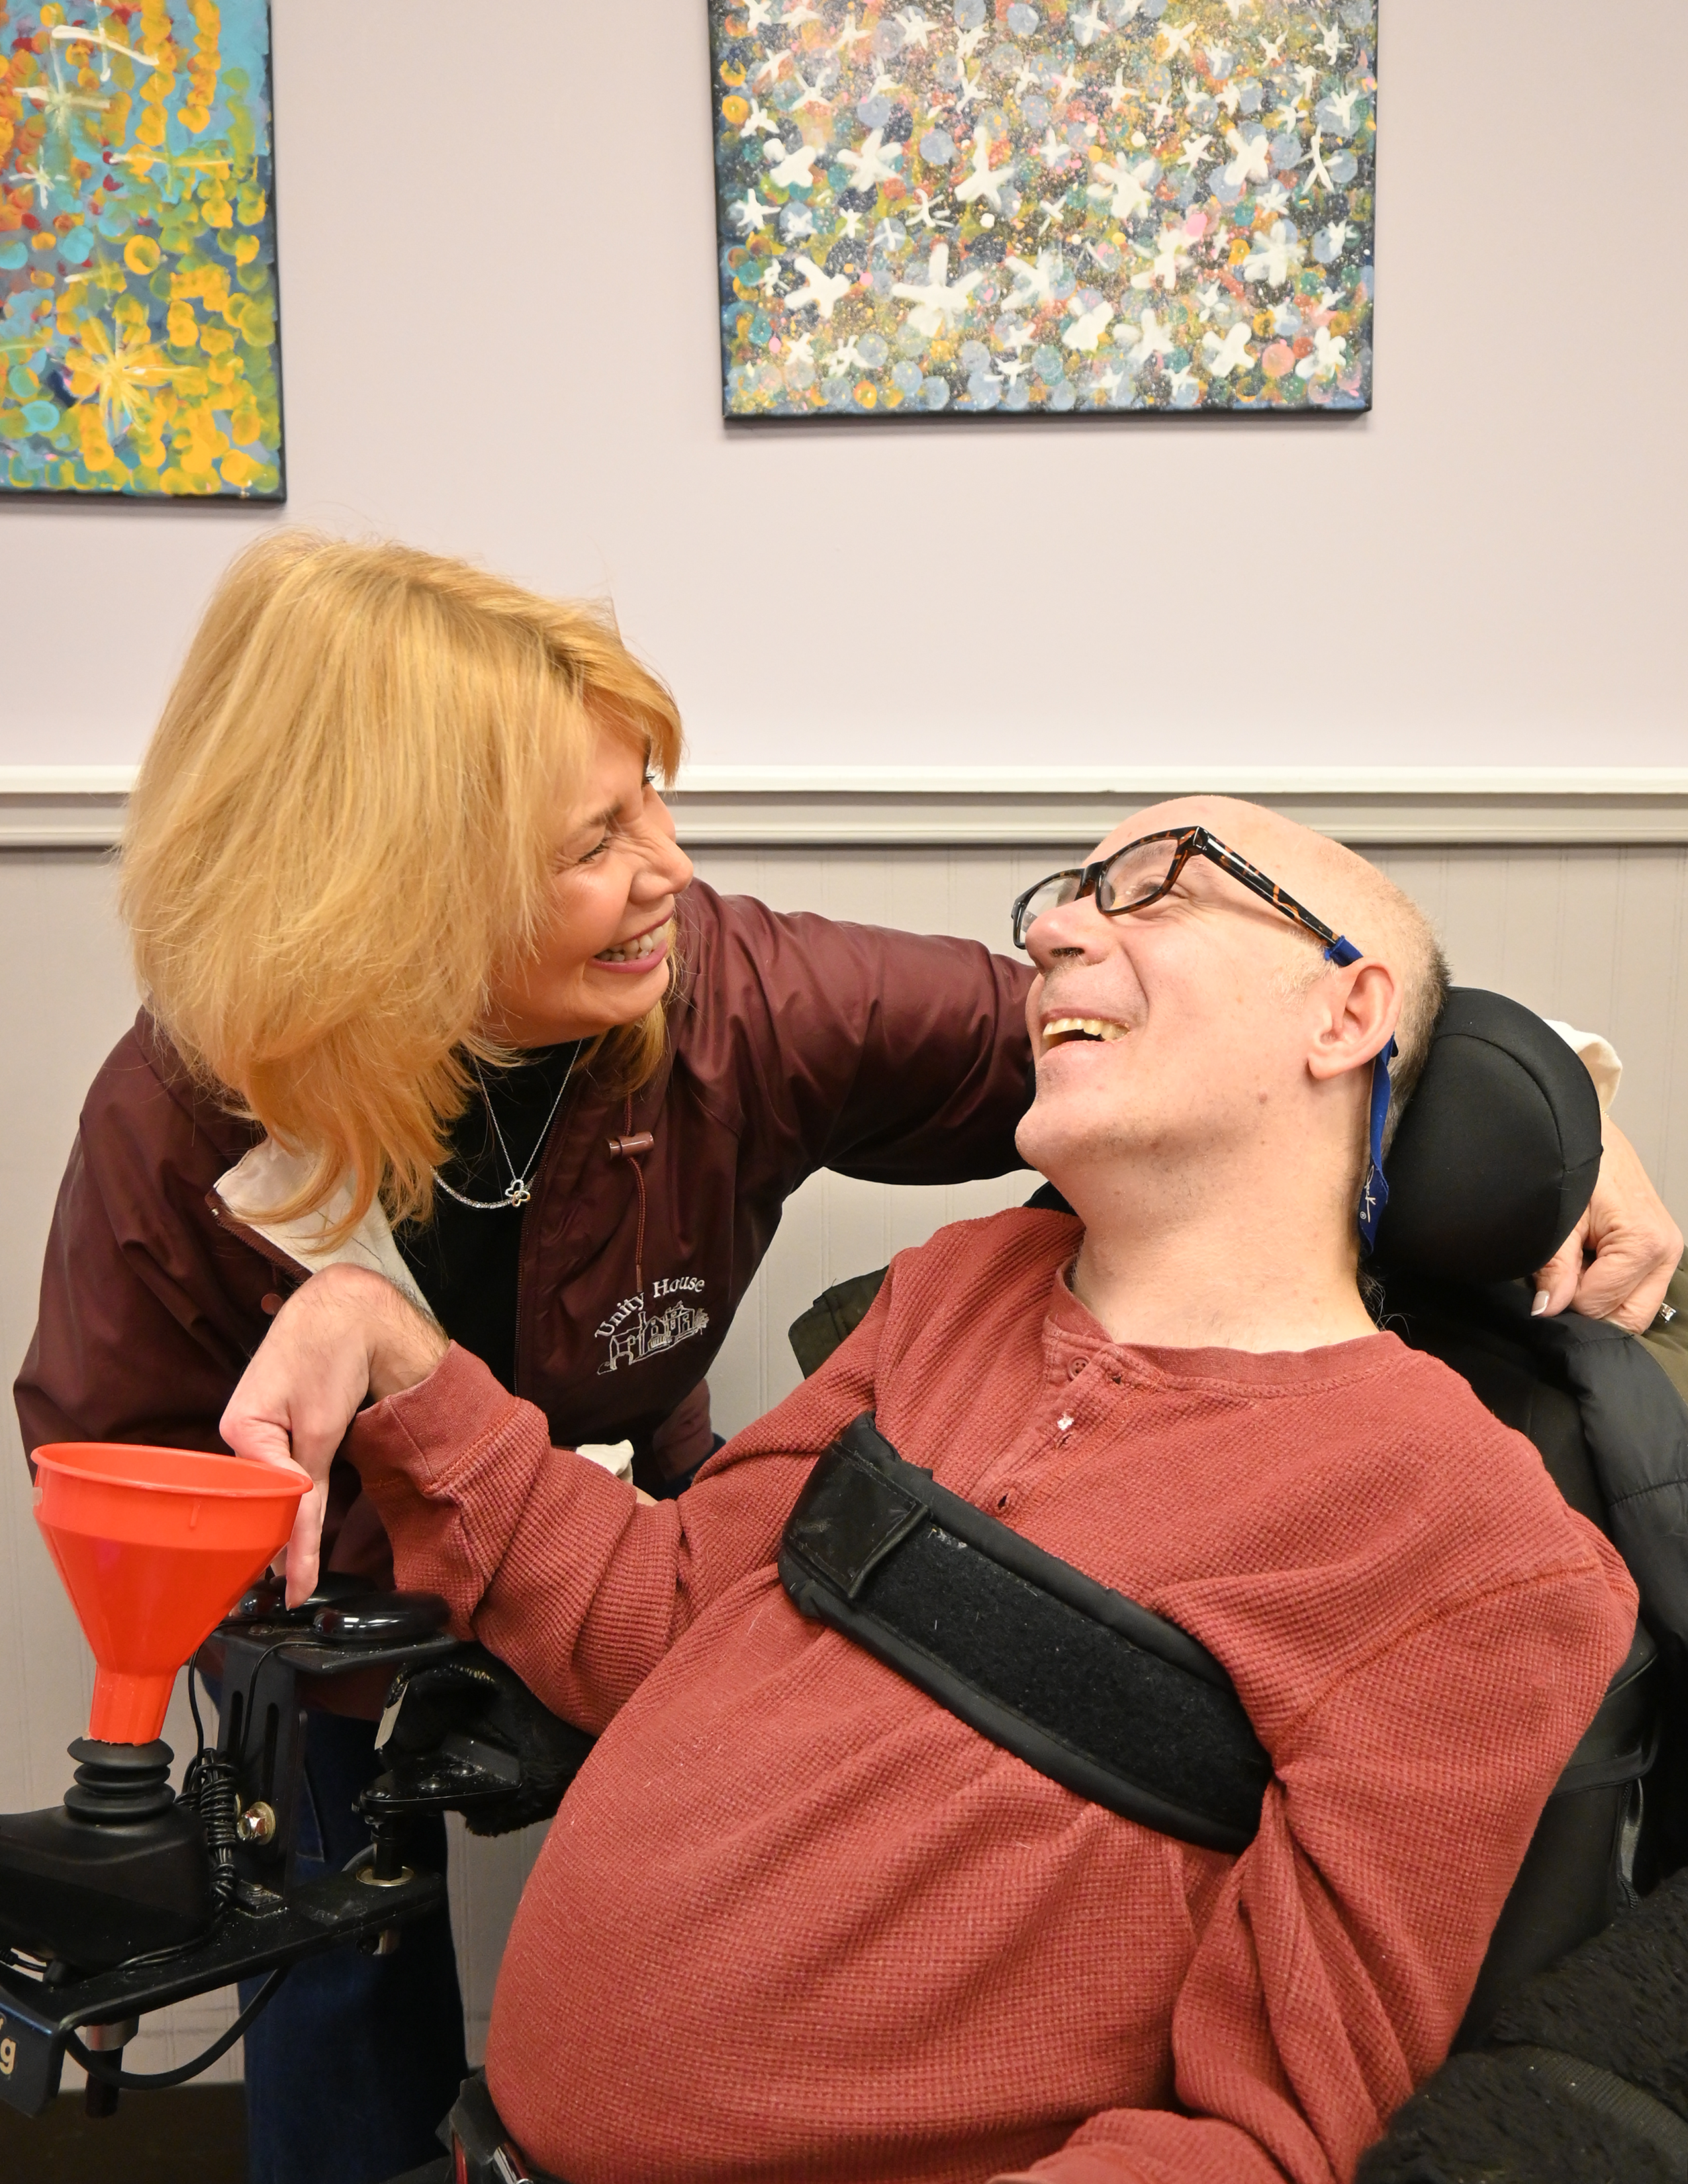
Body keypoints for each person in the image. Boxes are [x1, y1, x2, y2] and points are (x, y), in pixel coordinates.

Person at [11, 534, 1676, 2181]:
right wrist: (377, 1378)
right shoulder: (956, 1294)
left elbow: (1259, 2136)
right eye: (597, 839)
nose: (1058, 938)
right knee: (337, 1963)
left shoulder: (1473, 1544)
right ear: (407, 895)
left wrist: (1546, 1103)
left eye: (1154, 889)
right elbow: (643, 1607)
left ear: (1346, 1015)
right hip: (360, 1656)